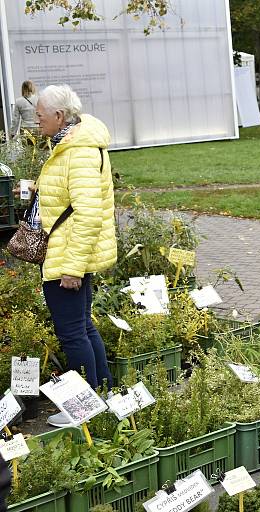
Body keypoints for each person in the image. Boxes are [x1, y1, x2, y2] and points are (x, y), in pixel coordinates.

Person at [34, 84, 117, 426]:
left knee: (72, 333)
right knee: (82, 327)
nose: (35, 121)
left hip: (69, 256)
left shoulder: (77, 150)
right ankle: (102, 396)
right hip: (72, 252)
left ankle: (84, 409)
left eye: (40, 116)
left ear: (59, 115)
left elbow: (87, 213)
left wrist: (72, 267)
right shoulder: (71, 145)